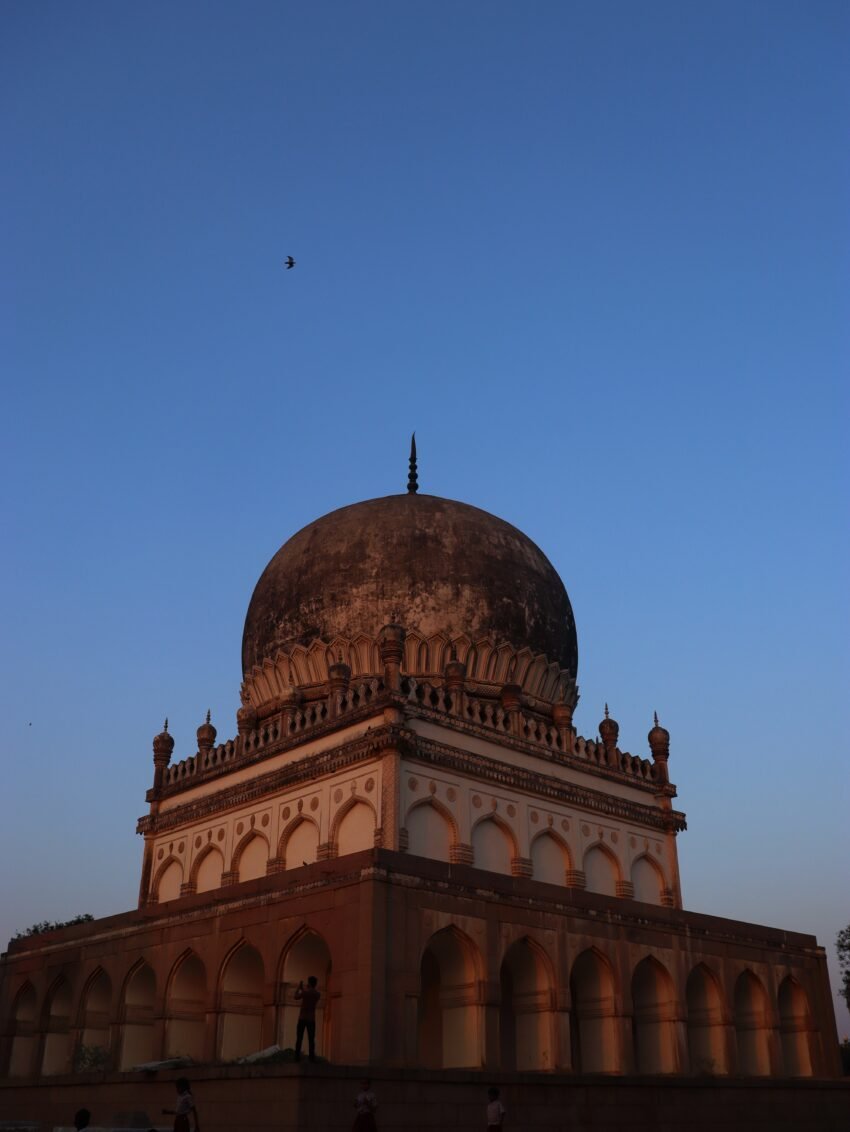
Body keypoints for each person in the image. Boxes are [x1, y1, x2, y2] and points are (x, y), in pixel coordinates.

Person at [294, 975, 321, 1061]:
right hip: (311, 1018)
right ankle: (311, 1057)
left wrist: (299, 988)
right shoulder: (317, 994)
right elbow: (309, 994)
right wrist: (304, 989)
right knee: (311, 1038)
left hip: (302, 1018)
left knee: (299, 1038)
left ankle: (297, 1056)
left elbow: (296, 996)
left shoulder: (305, 992)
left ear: (309, 983)